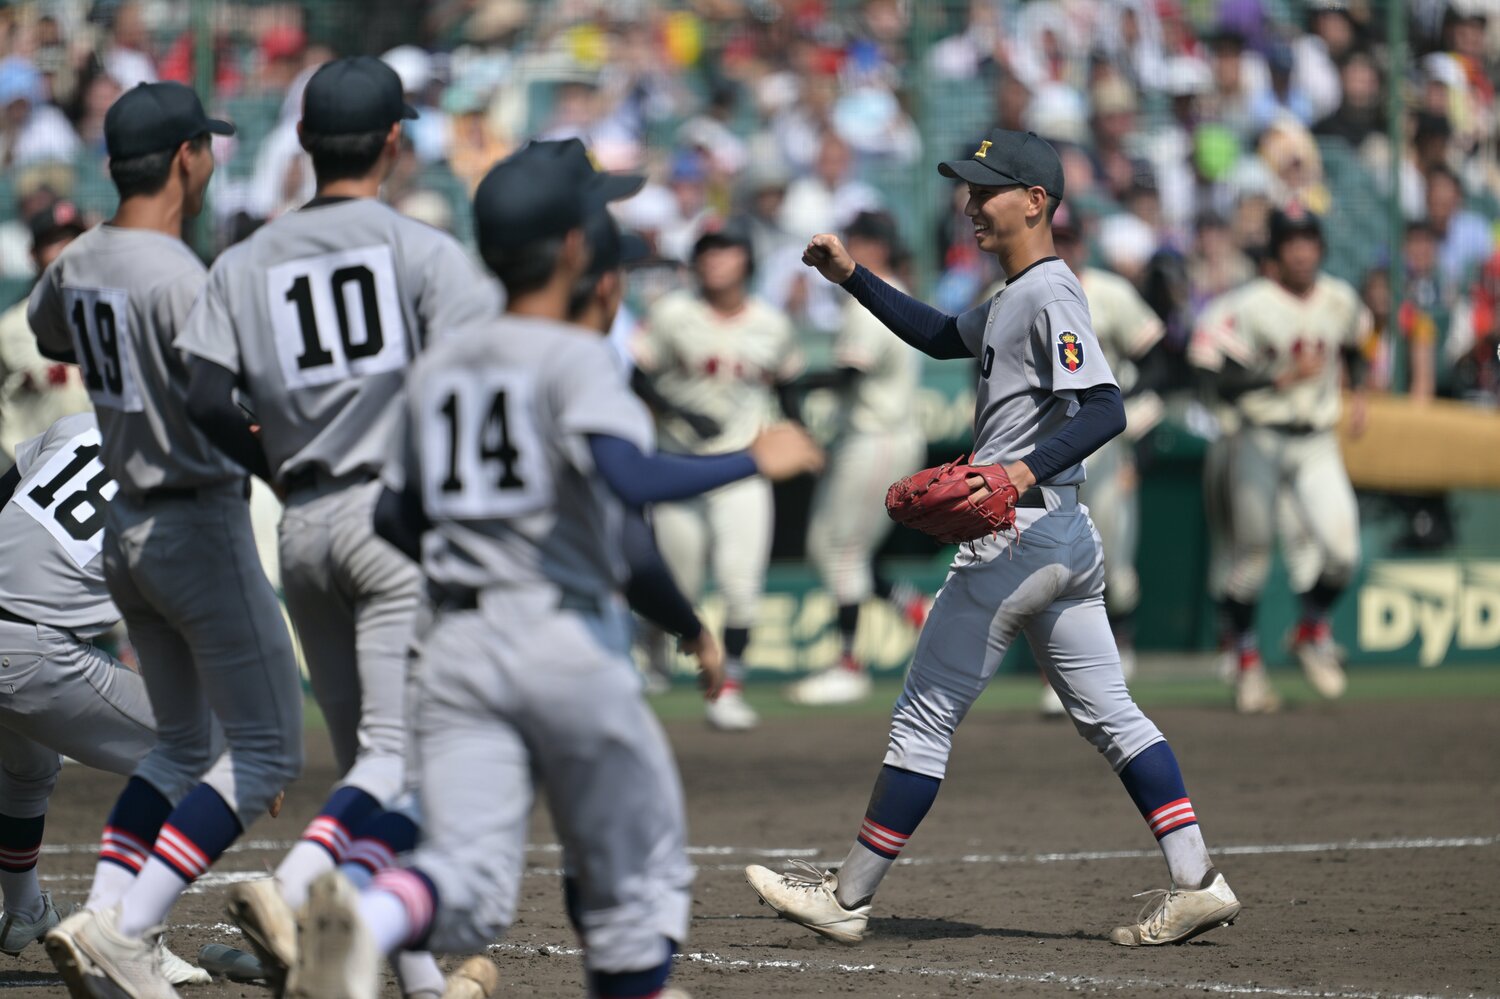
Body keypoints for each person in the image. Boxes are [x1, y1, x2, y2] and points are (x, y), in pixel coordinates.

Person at [279, 140, 821, 999]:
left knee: (464, 872)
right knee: (638, 865)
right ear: (575, 249)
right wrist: (750, 461)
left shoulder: (439, 363)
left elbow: (393, 516)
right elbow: (628, 486)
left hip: (456, 645)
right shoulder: (578, 358)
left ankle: (367, 920)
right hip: (561, 635)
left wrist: (469, 562)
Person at [745, 128, 1241, 948]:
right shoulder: (1019, 292)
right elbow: (942, 335)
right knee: (1113, 715)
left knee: (922, 717)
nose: (969, 203)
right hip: (1059, 535)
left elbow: (1107, 406)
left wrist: (1016, 471)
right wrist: (852, 276)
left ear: (1036, 201)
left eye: (986, 189)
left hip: (1018, 533)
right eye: (969, 189)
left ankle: (847, 896)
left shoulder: (1050, 293)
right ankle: (1198, 881)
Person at [172, 57, 503, 997]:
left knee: (371, 766)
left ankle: (418, 982)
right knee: (407, 760)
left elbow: (204, 394)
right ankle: (290, 888)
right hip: (396, 518)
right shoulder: (422, 248)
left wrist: (274, 463)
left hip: (304, 518)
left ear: (307, 141)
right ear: (395, 140)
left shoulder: (246, 258)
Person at [28, 82, 304, 998]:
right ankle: (130, 925)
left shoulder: (80, 259)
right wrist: (283, 470)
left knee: (179, 747)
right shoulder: (180, 275)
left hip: (128, 531)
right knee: (266, 750)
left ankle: (108, 930)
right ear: (188, 156)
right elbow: (216, 400)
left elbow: (50, 333)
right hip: (194, 517)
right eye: (207, 146)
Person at [0, 414, 207, 983]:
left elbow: (5, 494)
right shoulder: (191, 475)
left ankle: (23, 910)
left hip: (16, 635)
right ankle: (132, 938)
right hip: (30, 649)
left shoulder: (84, 421)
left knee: (28, 768)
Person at [632, 223, 806, 730]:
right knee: (678, 584)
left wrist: (797, 434)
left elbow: (788, 383)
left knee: (740, 581)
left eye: (724, 251)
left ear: (745, 261)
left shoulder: (771, 323)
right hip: (679, 464)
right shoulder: (673, 314)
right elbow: (636, 373)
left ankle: (729, 687)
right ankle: (651, 649)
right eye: (706, 252)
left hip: (742, 464)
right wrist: (679, 413)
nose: (714, 261)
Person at [1214, 205, 1370, 710]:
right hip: (1260, 437)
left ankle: (1309, 629)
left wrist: (1359, 392)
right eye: (1291, 242)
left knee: (1343, 554)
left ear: (1320, 248)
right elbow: (1220, 379)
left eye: (1308, 241)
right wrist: (1277, 378)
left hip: (1316, 440)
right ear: (1277, 253)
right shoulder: (1251, 304)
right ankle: (1247, 666)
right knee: (1252, 559)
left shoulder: (1340, 298)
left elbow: (1356, 345)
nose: (1301, 252)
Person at [787, 211, 927, 706]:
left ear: (880, 247)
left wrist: (790, 380)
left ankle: (849, 664)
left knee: (842, 552)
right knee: (831, 548)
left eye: (862, 239)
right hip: (866, 435)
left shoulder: (875, 294)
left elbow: (850, 374)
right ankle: (918, 611)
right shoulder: (875, 292)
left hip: (878, 437)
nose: (853, 246)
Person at [0, 200, 91, 465]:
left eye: (75, 239)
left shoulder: (111, 319)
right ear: (33, 254)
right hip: (29, 475)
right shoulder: (10, 328)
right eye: (54, 241)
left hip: (98, 471)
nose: (67, 249)